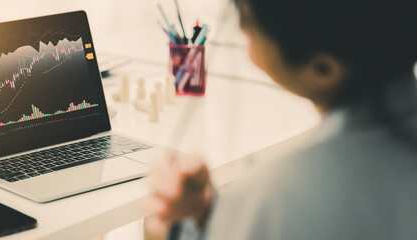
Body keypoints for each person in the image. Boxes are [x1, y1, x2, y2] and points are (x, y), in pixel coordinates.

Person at [147, 0, 417, 239]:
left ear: (322, 69)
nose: (242, 30)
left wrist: (173, 230)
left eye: (248, 24)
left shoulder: (277, 197)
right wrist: (207, 214)